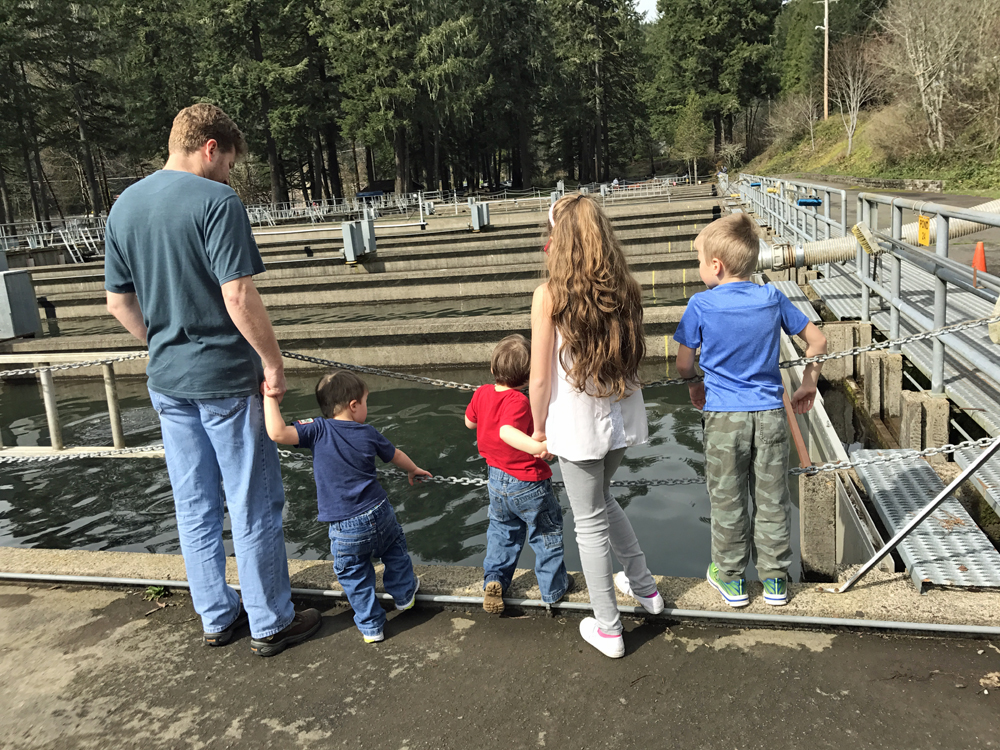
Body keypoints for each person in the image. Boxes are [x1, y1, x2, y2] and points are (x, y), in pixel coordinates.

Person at [104, 103, 321, 657]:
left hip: (168, 379)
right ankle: (270, 620)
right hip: (225, 376)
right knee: (252, 501)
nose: (230, 173)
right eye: (228, 161)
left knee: (194, 502)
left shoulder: (125, 205)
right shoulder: (216, 201)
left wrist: (161, 341)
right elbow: (238, 295)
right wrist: (273, 364)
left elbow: (117, 302)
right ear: (209, 148)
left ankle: (216, 616)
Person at [529, 194, 664, 659]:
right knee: (603, 500)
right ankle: (645, 588)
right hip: (621, 416)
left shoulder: (549, 294)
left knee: (587, 522)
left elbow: (541, 375)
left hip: (577, 424)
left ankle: (608, 627)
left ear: (557, 238)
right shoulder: (626, 286)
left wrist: (538, 428)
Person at [673, 213, 827, 608]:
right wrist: (808, 382)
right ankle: (776, 580)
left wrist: (695, 385)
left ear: (717, 266)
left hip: (725, 418)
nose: (699, 269)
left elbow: (684, 364)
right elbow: (818, 341)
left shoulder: (701, 304)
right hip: (771, 415)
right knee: (773, 498)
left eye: (700, 262)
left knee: (728, 500)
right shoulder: (771, 297)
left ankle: (732, 580)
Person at [264, 370, 429, 643]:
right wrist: (413, 469)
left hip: (345, 524)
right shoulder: (369, 432)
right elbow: (395, 455)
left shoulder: (316, 429)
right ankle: (405, 594)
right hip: (379, 510)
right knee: (394, 549)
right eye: (365, 402)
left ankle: (371, 627)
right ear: (354, 406)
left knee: (354, 573)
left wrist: (270, 397)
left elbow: (277, 432)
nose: (366, 407)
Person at [465, 334, 572, 615]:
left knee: (502, 532)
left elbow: (468, 422)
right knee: (545, 533)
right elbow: (506, 432)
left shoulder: (482, 393)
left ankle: (495, 580)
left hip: (496, 479)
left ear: (492, 368)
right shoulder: (519, 402)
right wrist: (538, 447)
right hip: (529, 482)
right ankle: (553, 590)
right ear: (528, 376)